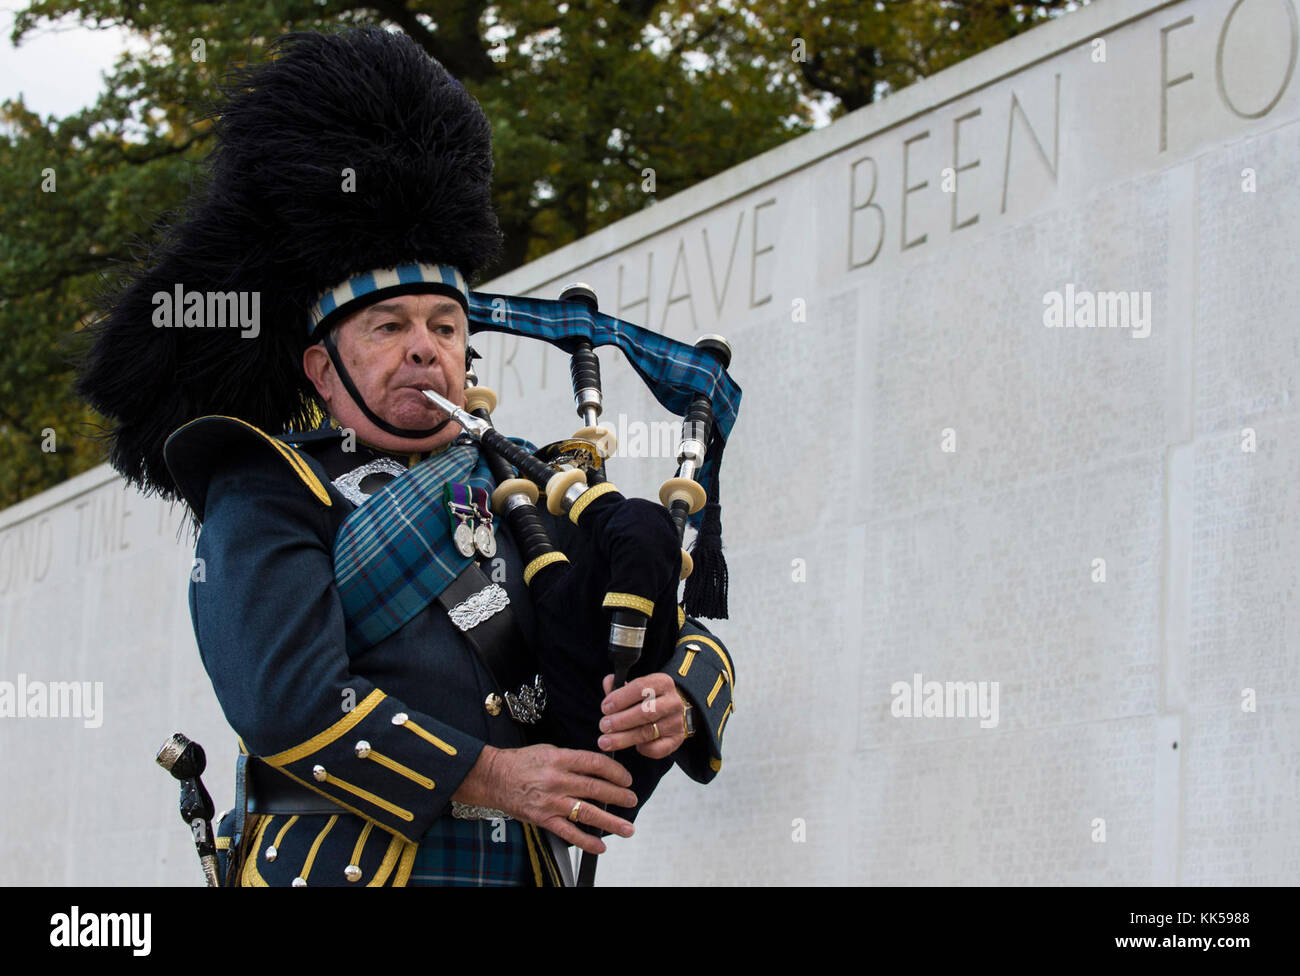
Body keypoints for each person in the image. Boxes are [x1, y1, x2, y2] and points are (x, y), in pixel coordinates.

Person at [76, 26, 738, 886]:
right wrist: (496, 776)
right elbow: (288, 704)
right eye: (389, 327)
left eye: (445, 326)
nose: (425, 349)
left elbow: (689, 636)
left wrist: (677, 699)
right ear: (322, 364)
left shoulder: (534, 477)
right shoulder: (266, 484)